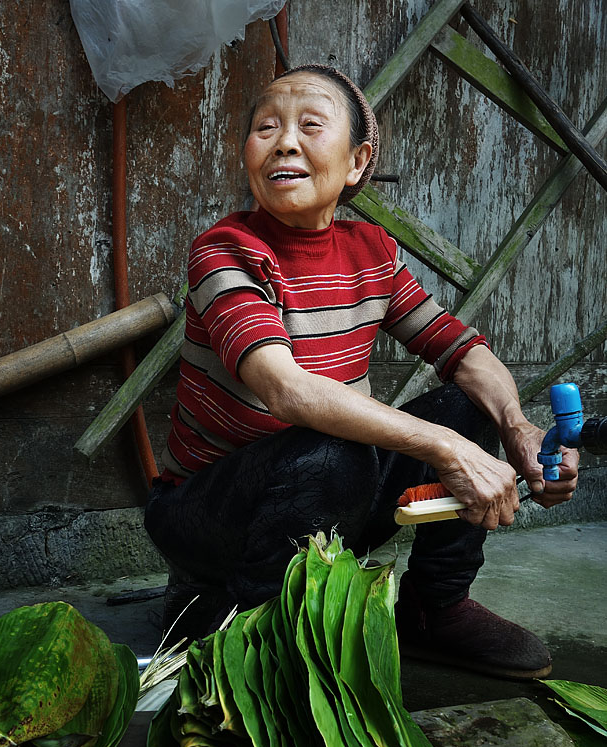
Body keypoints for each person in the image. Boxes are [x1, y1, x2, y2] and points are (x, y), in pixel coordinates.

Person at [144, 63, 579, 679]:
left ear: (356, 162)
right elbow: (286, 390)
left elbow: (464, 351)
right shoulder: (226, 250)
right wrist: (447, 449)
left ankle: (433, 609)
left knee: (467, 406)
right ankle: (249, 631)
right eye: (266, 127)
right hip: (210, 513)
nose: (285, 141)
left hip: (327, 496)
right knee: (339, 451)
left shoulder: (371, 251)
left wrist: (519, 431)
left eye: (310, 125)